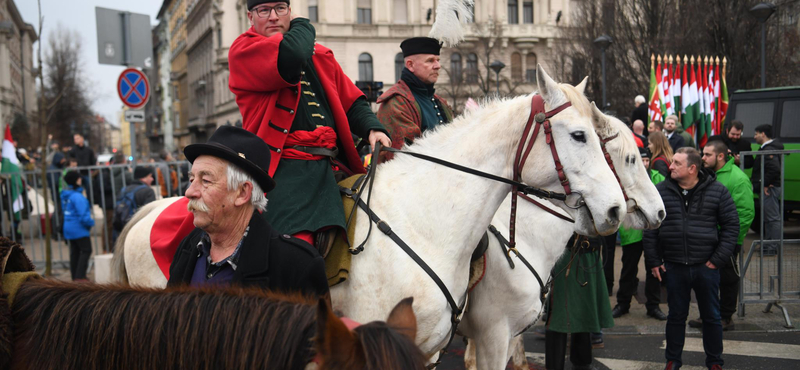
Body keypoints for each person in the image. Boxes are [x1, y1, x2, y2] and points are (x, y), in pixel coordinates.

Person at [227, 0, 391, 248]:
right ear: (251, 16)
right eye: (264, 10)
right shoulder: (243, 50)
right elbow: (292, 55)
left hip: (334, 164)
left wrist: (373, 128)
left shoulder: (320, 55)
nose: (273, 16)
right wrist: (302, 23)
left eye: (280, 8)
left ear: (288, 11)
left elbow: (351, 101)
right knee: (295, 246)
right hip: (282, 169)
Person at [167, 126, 329, 298]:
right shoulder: (188, 247)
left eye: (205, 180)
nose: (189, 192)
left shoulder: (296, 266)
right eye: (192, 179)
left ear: (243, 193)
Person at [644, 147, 739, 370]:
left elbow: (731, 226)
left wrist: (717, 259)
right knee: (676, 316)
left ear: (692, 168)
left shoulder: (717, 191)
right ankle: (672, 361)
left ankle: (715, 362)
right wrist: (654, 261)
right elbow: (650, 228)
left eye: (677, 163)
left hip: (706, 267)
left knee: (712, 317)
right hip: (674, 267)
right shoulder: (661, 191)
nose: (671, 166)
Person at [688, 140, 754, 330]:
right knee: (705, 280)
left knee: (727, 279)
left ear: (721, 156)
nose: (703, 158)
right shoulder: (706, 175)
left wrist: (730, 240)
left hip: (726, 241)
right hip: (706, 239)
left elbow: (745, 213)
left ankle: (725, 318)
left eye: (707, 154)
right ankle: (707, 315)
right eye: (703, 153)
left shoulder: (737, 178)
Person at [612, 148, 667, 321]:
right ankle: (623, 303)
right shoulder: (626, 178)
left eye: (646, 160)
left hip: (653, 231)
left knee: (654, 269)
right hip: (633, 231)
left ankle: (653, 305)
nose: (644, 164)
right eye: (640, 160)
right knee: (628, 269)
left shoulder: (659, 178)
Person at [377, 36, 454, 159]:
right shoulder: (396, 103)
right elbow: (406, 159)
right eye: (430, 61)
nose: (438, 65)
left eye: (438, 60)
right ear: (410, 65)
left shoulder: (441, 102)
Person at [545, 234, 614, 370]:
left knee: (585, 311)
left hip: (589, 254)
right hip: (564, 255)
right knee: (560, 315)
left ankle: (582, 362)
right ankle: (554, 366)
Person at [751, 124, 784, 255]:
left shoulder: (769, 149)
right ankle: (768, 246)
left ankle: (772, 247)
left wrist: (764, 183)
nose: (754, 137)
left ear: (763, 134)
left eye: (756, 134)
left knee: (772, 219)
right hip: (768, 188)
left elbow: (774, 169)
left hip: (769, 189)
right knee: (768, 219)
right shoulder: (769, 148)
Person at [60, 170, 95, 281]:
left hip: (68, 227)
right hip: (79, 228)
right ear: (75, 181)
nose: (81, 179)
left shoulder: (66, 195)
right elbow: (83, 215)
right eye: (79, 178)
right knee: (86, 250)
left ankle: (75, 276)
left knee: (74, 252)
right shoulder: (77, 196)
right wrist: (91, 223)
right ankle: (80, 277)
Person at [113, 166, 157, 234]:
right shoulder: (148, 191)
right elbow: (150, 215)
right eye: (150, 176)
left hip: (123, 228)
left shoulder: (124, 189)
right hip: (139, 230)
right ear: (144, 178)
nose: (152, 179)